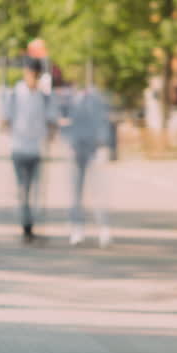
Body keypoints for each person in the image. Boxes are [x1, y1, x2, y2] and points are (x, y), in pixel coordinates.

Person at [0, 58, 57, 243]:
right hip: (18, 148)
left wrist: (50, 132)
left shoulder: (44, 97)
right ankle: (27, 228)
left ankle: (30, 225)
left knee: (35, 190)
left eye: (35, 74)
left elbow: (51, 121)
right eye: (30, 73)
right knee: (24, 189)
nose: (32, 77)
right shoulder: (15, 94)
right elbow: (4, 120)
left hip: (36, 149)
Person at [65, 83, 113, 248]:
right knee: (77, 193)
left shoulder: (97, 99)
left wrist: (103, 145)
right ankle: (77, 228)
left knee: (97, 192)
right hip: (78, 149)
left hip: (93, 150)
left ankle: (103, 229)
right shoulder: (72, 99)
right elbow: (67, 125)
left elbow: (103, 122)